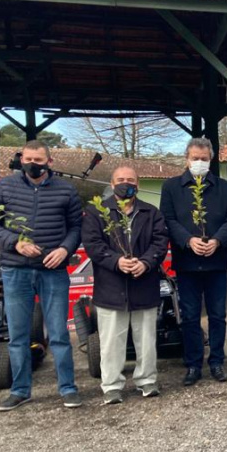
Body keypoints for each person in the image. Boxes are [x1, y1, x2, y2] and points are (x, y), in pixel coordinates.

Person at [0, 140, 83, 411]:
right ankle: (20, 389)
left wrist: (64, 248)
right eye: (28, 159)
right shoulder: (4, 187)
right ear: (20, 159)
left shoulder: (66, 190)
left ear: (49, 162)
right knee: (18, 334)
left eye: (39, 160)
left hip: (53, 271)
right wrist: (14, 242)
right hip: (16, 270)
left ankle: (68, 388)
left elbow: (76, 227)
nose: (33, 165)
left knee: (59, 333)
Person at [82, 165, 168, 404]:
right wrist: (116, 261)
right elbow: (92, 244)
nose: (125, 183)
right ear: (111, 184)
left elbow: (160, 242)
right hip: (111, 286)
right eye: (120, 179)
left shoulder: (151, 213)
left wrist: (147, 262)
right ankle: (111, 385)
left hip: (144, 283)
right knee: (111, 341)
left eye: (130, 179)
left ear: (137, 184)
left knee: (146, 339)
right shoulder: (96, 212)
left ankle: (147, 380)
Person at [160, 138, 227, 386]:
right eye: (195, 158)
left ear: (211, 159)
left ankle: (216, 361)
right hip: (187, 263)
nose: (199, 163)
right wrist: (188, 240)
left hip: (216, 262)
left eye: (204, 159)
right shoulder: (172, 187)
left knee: (218, 315)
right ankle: (193, 364)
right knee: (190, 316)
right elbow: (168, 219)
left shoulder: (224, 188)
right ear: (186, 158)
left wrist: (217, 240)